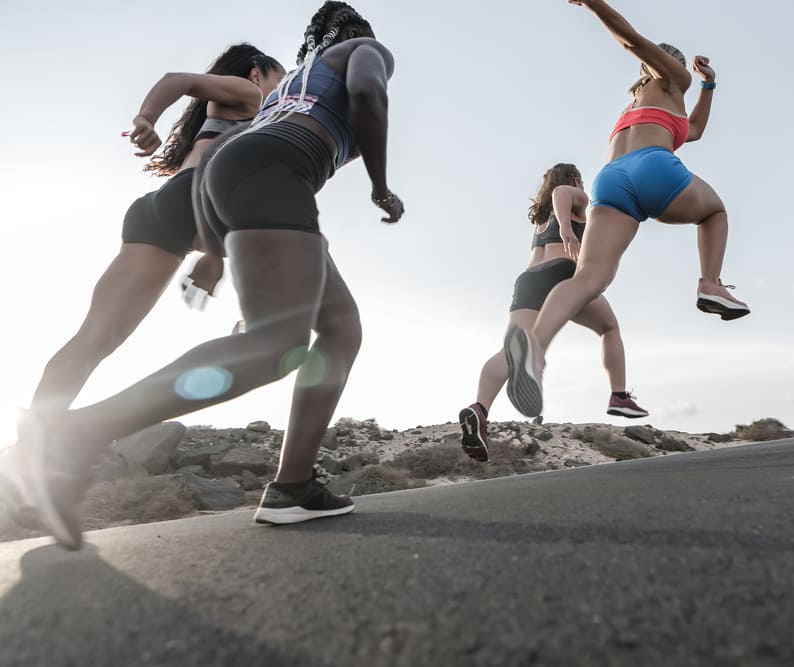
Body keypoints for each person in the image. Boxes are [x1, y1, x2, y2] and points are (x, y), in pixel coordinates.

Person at [14, 1, 403, 550]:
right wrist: (380, 186)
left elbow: (220, 155)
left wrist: (217, 249)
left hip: (231, 181)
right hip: (272, 174)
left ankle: (293, 486)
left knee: (341, 326)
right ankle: (76, 433)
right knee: (275, 346)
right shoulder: (365, 50)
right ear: (355, 33)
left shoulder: (288, 89)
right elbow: (367, 96)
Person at [0, 43, 285, 522]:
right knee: (297, 242)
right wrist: (147, 118)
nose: (283, 87)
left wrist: (148, 121)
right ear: (258, 73)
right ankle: (259, 322)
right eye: (279, 77)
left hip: (158, 210)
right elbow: (179, 80)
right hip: (195, 201)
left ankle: (32, 461)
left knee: (94, 339)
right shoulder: (250, 94)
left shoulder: (224, 115)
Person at [503, 0, 749, 419]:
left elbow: (694, 130)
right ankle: (710, 283)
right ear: (670, 65)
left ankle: (535, 350)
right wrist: (594, 4)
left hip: (610, 180)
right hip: (653, 167)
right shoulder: (674, 79)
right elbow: (632, 40)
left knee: (589, 279)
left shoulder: (636, 107)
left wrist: (709, 87)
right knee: (714, 212)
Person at [458, 163, 648, 462]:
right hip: (563, 273)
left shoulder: (540, 216)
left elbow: (555, 193)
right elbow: (562, 192)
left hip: (529, 280)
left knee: (513, 351)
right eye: (579, 181)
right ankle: (619, 395)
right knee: (609, 327)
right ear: (575, 179)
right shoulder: (574, 198)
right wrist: (568, 230)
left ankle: (479, 409)